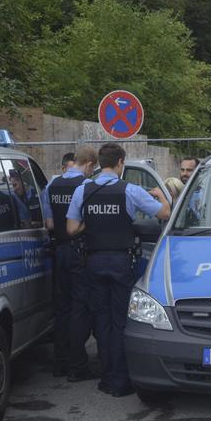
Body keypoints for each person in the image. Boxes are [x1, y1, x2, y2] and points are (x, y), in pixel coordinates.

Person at [66, 143, 171, 396]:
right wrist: (158, 195)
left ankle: (106, 377)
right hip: (121, 262)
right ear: (121, 162)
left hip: (93, 262)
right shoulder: (130, 190)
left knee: (101, 321)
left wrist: (90, 227)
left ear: (100, 163)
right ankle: (120, 380)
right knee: (120, 320)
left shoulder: (83, 190)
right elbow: (166, 213)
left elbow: (71, 229)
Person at [42, 146, 99, 380]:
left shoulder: (51, 186)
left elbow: (50, 225)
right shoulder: (85, 187)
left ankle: (60, 363)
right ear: (89, 165)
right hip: (79, 252)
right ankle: (77, 366)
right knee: (80, 308)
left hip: (60, 252)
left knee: (62, 308)